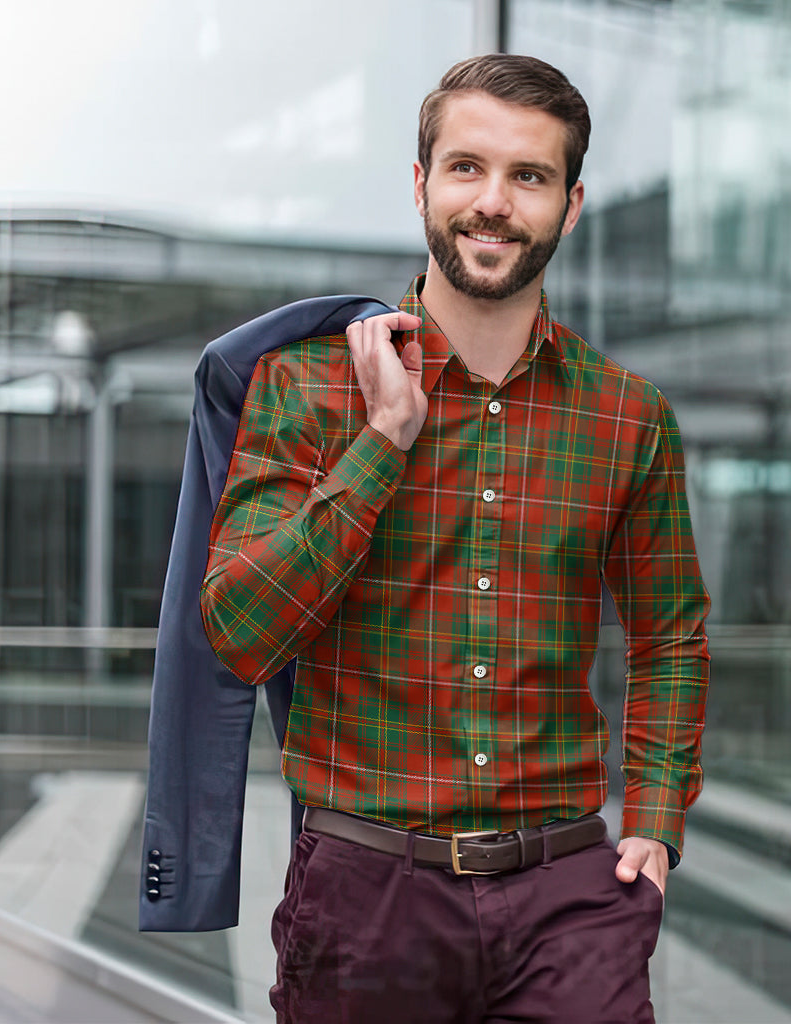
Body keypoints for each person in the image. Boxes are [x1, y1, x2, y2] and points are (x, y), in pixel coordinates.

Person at [201, 53, 710, 1024]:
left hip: (568, 895)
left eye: (530, 176)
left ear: (570, 204)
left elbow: (669, 633)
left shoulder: (626, 417)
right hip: (366, 896)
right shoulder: (305, 389)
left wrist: (652, 818)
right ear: (421, 183)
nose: (494, 202)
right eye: (467, 167)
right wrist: (384, 439)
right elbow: (240, 633)